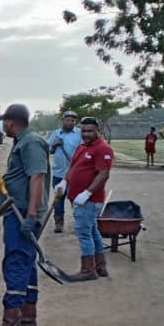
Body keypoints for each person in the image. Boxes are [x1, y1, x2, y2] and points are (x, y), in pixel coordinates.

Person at [0, 103, 50, 326]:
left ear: (12, 121)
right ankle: (28, 319)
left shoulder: (30, 142)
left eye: (5, 121)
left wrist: (31, 214)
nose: (3, 125)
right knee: (26, 262)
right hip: (19, 209)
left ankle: (11, 324)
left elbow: (37, 176)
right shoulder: (23, 142)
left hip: (23, 212)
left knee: (15, 261)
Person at [57, 117, 114, 280]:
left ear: (98, 131)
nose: (86, 134)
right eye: (83, 131)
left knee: (83, 233)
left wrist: (87, 193)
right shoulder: (82, 146)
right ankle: (100, 266)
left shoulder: (103, 148)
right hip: (78, 197)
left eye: (90, 131)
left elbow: (103, 174)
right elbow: (74, 167)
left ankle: (88, 270)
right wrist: (64, 181)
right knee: (92, 230)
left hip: (90, 199)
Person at [47, 111, 81, 232]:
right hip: (58, 173)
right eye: (68, 120)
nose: (70, 122)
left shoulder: (79, 134)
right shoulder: (56, 134)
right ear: (63, 120)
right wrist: (54, 145)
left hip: (75, 173)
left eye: (73, 120)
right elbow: (47, 149)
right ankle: (59, 223)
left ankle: (79, 223)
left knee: (76, 199)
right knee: (58, 199)